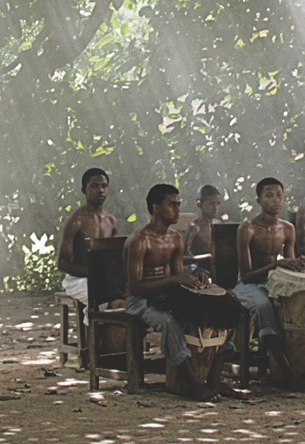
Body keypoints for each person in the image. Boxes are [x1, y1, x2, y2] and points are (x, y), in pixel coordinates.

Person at [234, 176, 305, 385]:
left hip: (279, 283)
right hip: (250, 285)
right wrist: (277, 264)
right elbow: (246, 275)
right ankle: (287, 374)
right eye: (269, 196)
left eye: (279, 195)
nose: (275, 200)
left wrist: (300, 263)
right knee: (263, 305)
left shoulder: (287, 228)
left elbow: (292, 270)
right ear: (259, 200)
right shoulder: (247, 229)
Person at [126, 184, 233, 398]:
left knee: (227, 309)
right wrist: (175, 279)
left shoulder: (175, 238)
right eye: (171, 205)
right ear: (156, 207)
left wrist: (194, 276)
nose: (177, 210)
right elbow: (135, 287)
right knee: (168, 322)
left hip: (167, 294)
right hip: (140, 300)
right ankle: (194, 383)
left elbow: (178, 276)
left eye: (178, 204)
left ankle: (214, 379)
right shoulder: (139, 240)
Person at [59, 167, 118, 304]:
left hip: (104, 278)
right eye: (94, 186)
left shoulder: (111, 221)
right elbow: (63, 263)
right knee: (100, 297)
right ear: (84, 190)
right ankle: (93, 318)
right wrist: (92, 273)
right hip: (78, 280)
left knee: (127, 296)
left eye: (104, 186)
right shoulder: (76, 221)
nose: (100, 190)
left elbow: (112, 257)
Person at [184, 184, 225, 269]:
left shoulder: (219, 225)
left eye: (218, 204)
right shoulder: (195, 227)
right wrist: (203, 259)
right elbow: (184, 256)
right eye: (211, 204)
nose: (215, 208)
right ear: (199, 204)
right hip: (198, 268)